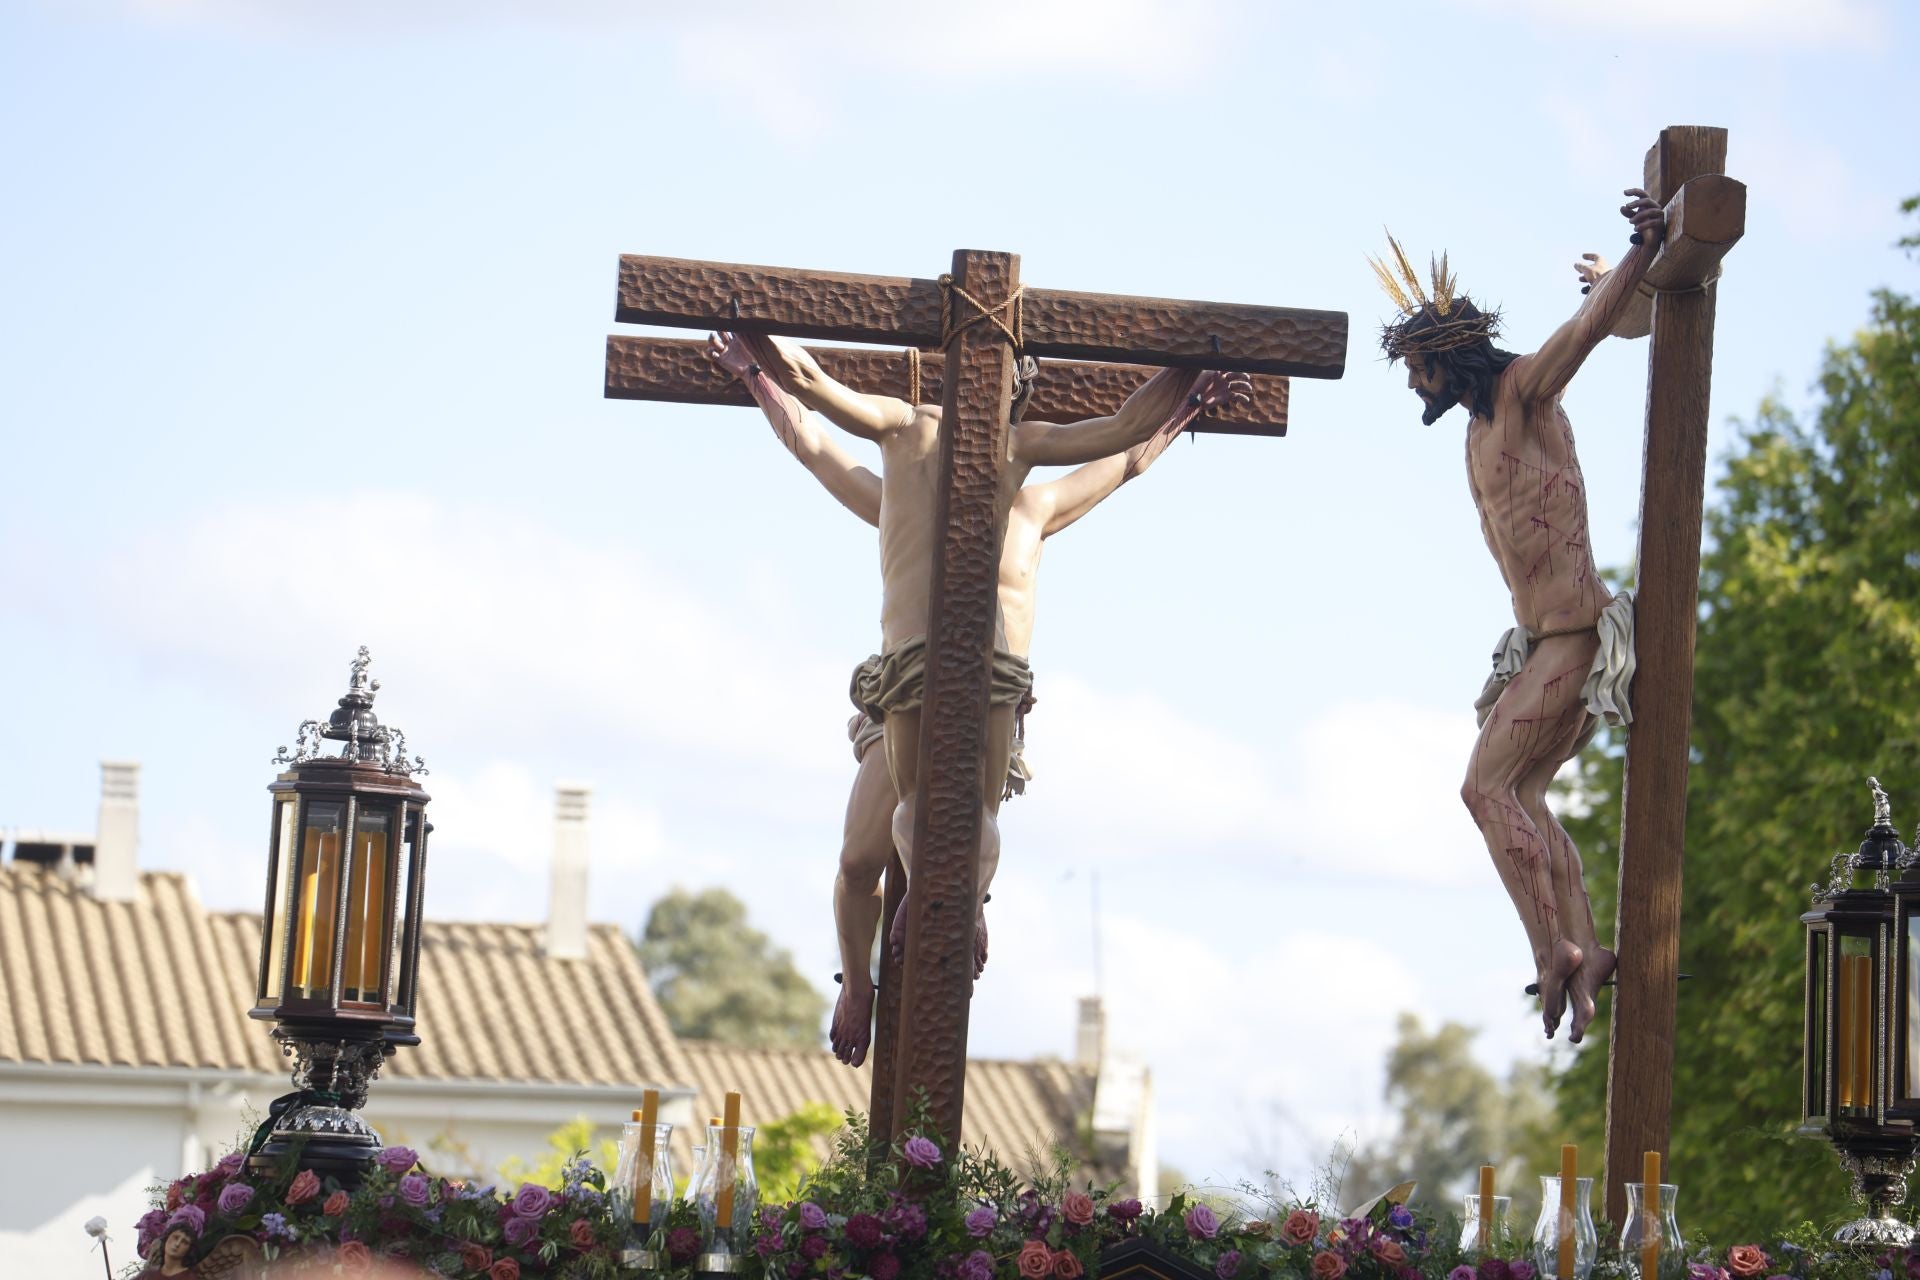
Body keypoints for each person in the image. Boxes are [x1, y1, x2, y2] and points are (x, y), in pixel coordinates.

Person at [707, 331, 1215, 1064]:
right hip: (911, 673)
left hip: (991, 677)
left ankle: (963, 902)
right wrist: (757, 367)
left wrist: (1189, 379)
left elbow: (1125, 448)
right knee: (859, 860)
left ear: (1016, 389)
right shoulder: (905, 451)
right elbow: (816, 432)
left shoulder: (1032, 498)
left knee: (965, 820)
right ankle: (859, 981)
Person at [1375, 187, 1664, 1041]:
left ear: (1446, 356)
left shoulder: (1525, 394)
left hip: (1578, 636)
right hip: (1539, 641)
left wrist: (1644, 253)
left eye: (1416, 369)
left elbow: (1580, 338)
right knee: (1526, 792)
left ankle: (1552, 953)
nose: (1414, 386)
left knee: (1484, 785)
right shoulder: (1474, 430)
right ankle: (1583, 950)